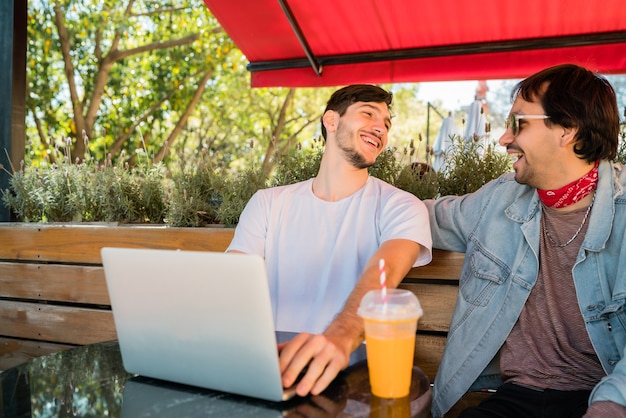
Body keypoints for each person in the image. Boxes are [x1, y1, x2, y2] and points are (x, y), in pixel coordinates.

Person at [426, 63, 626, 418]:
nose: (504, 138)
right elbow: (427, 217)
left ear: (567, 129)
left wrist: (612, 404)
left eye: (518, 123)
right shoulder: (501, 197)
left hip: (600, 397)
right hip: (512, 398)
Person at [227, 84, 432, 397]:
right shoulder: (268, 203)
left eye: (387, 124)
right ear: (331, 121)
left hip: (351, 378)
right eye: (369, 114)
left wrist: (339, 338)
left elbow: (385, 273)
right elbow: (233, 282)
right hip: (267, 371)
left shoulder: (401, 206)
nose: (381, 127)